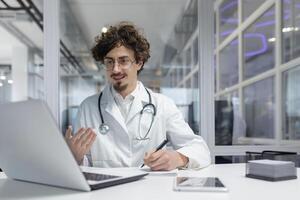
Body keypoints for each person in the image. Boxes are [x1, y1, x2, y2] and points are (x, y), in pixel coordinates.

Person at [65, 21, 211, 171]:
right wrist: (75, 157)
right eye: (109, 62)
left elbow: (201, 150)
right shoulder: (88, 108)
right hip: (106, 193)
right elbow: (86, 164)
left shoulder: (162, 104)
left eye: (123, 61)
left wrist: (178, 158)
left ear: (139, 62)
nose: (115, 69)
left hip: (149, 192)